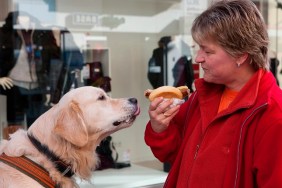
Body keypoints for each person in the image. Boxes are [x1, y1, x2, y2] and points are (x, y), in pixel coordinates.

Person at [144, 0, 282, 187]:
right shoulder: (199, 98)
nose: (198, 58)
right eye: (198, 48)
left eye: (208, 51)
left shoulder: (272, 114)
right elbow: (173, 155)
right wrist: (160, 128)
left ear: (241, 54)